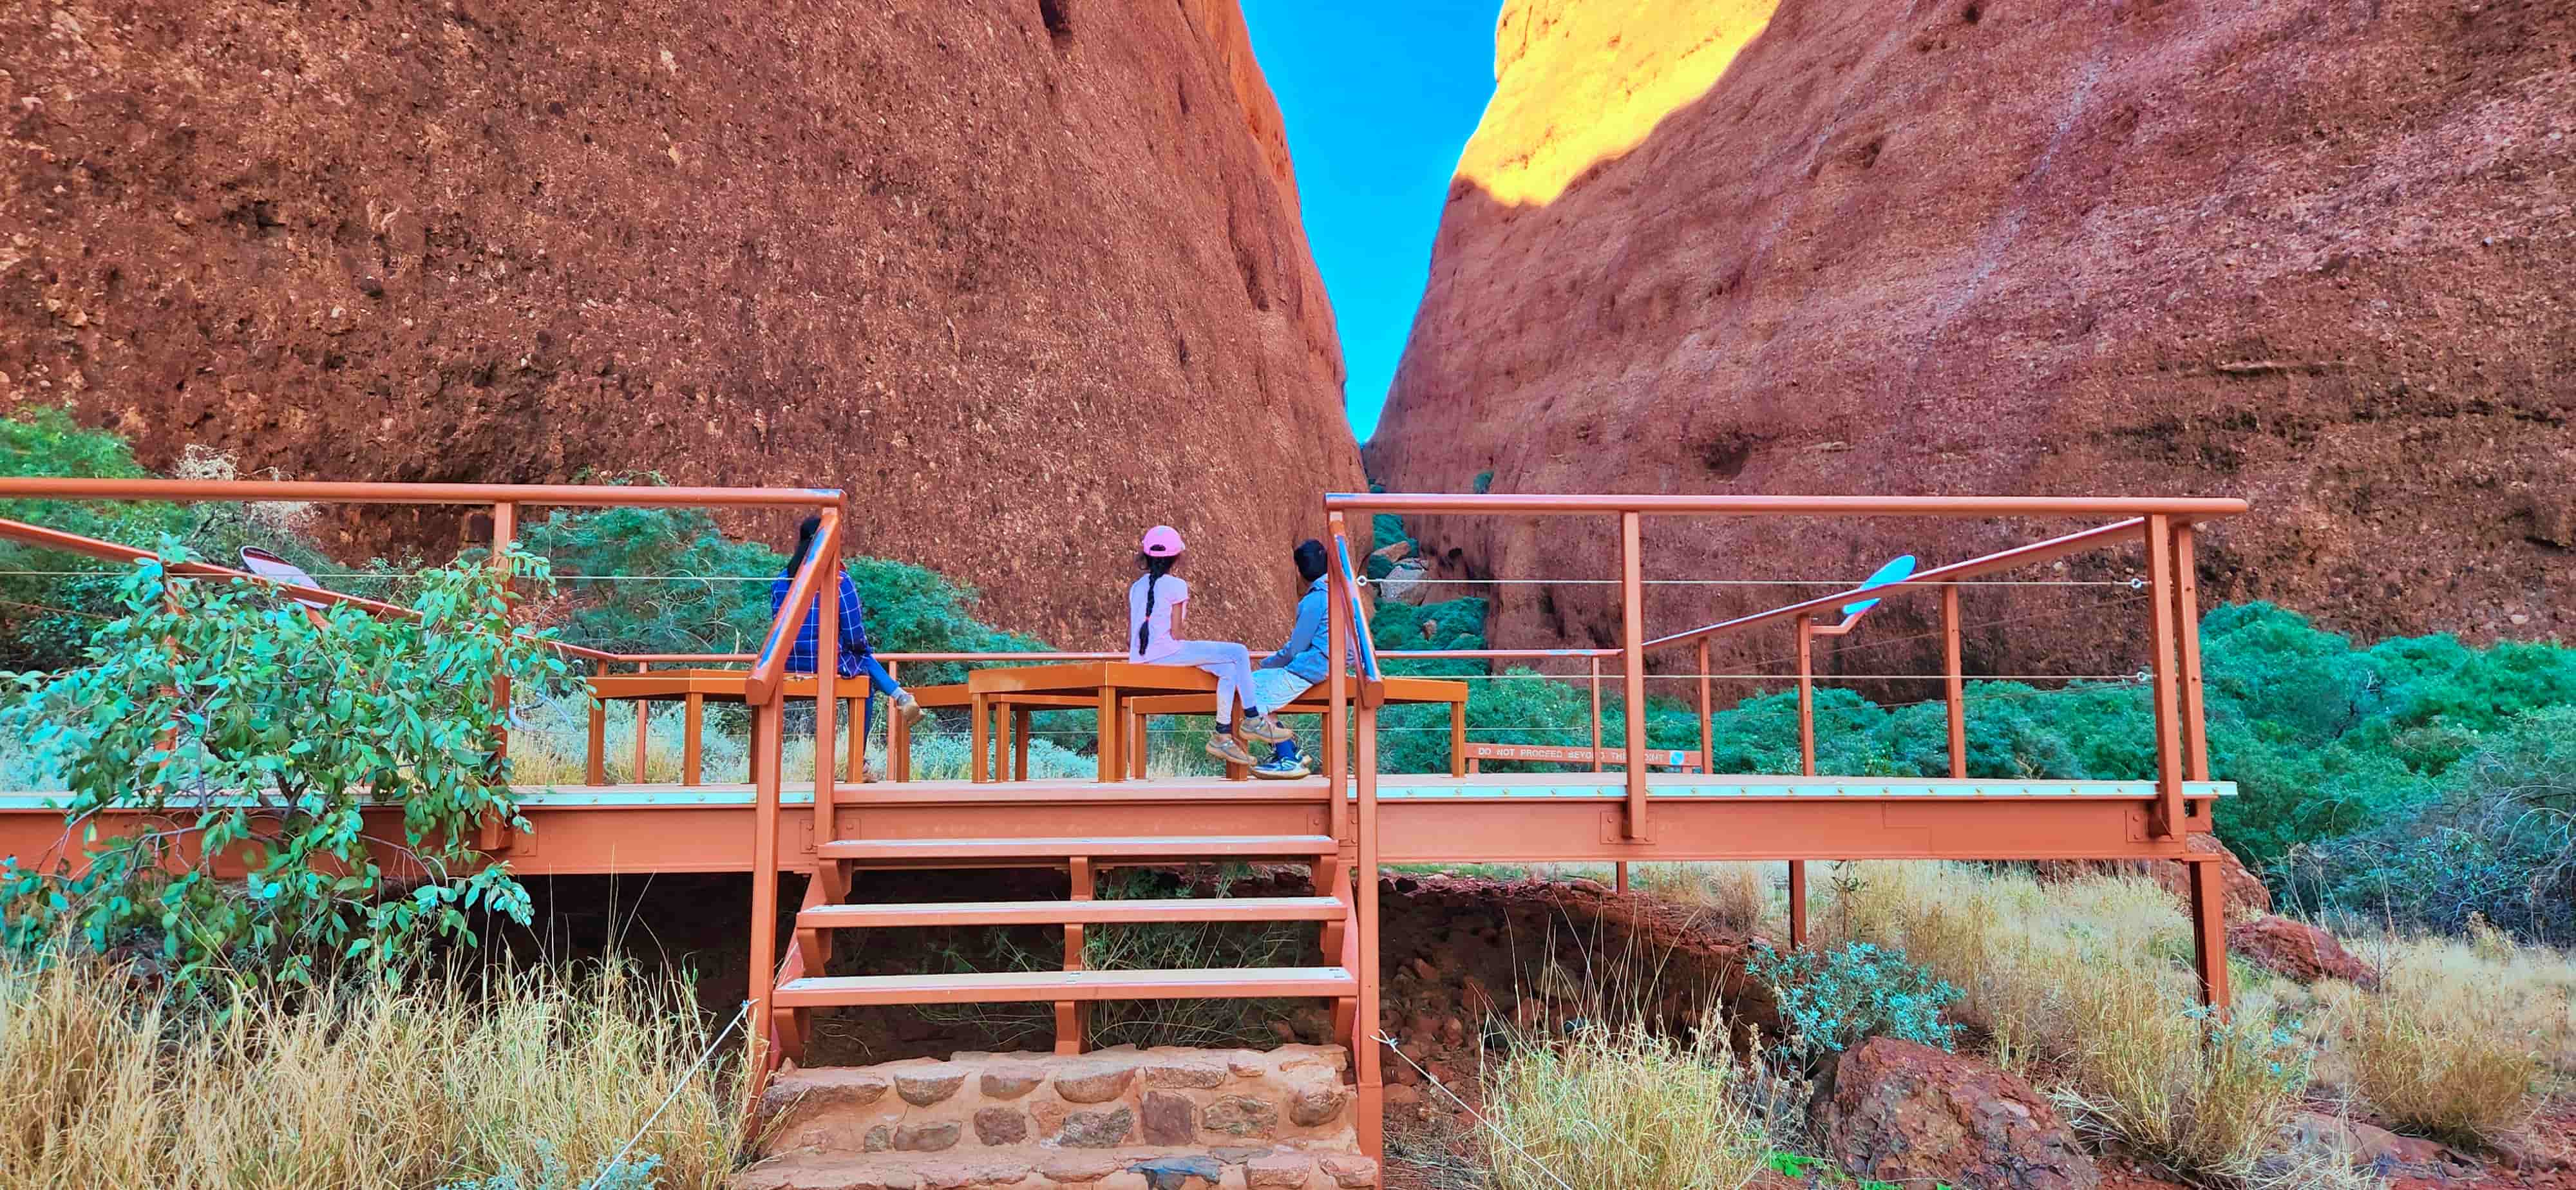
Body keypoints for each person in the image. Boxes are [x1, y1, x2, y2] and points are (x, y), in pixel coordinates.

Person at [1128, 525, 1294, 766]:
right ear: (1176, 558)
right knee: (1239, 652)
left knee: (1228, 670)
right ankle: (1252, 718)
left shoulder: (1136, 587)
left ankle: (1222, 735)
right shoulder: (1177, 585)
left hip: (1141, 658)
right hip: (1166, 653)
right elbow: (1176, 633)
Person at [772, 516, 922, 751]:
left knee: (861, 659)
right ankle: (858, 758)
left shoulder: (781, 581)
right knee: (864, 677)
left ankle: (901, 695)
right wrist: (864, 651)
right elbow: (854, 634)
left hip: (788, 663)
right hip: (826, 664)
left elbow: (778, 626)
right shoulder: (839, 580)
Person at [1247, 539, 1336, 779]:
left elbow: (1296, 649)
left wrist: (1267, 664)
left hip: (1312, 668)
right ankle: (1291, 752)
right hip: (1330, 667)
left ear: (1300, 570)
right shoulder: (1342, 593)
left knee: (1249, 694)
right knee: (1258, 689)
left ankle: (1288, 758)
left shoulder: (1316, 599)